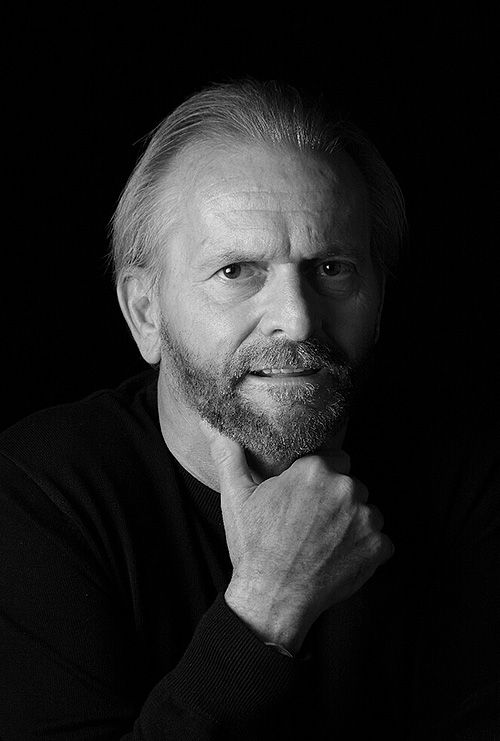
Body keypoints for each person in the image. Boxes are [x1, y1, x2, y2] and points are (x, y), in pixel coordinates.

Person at [0, 80, 497, 740]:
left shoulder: (467, 480)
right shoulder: (42, 492)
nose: (296, 318)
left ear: (379, 297)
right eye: (236, 271)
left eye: (332, 268)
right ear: (145, 312)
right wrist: (267, 605)